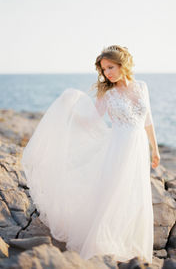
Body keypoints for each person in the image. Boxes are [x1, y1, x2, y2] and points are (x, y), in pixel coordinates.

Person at [21, 45, 160, 265]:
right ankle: (100, 244)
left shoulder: (142, 87)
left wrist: (155, 148)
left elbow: (148, 120)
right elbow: (91, 120)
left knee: (135, 195)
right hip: (118, 148)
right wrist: (70, 108)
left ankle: (129, 243)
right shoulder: (109, 93)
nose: (107, 73)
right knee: (113, 195)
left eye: (110, 67)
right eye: (104, 69)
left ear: (122, 64)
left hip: (139, 149)